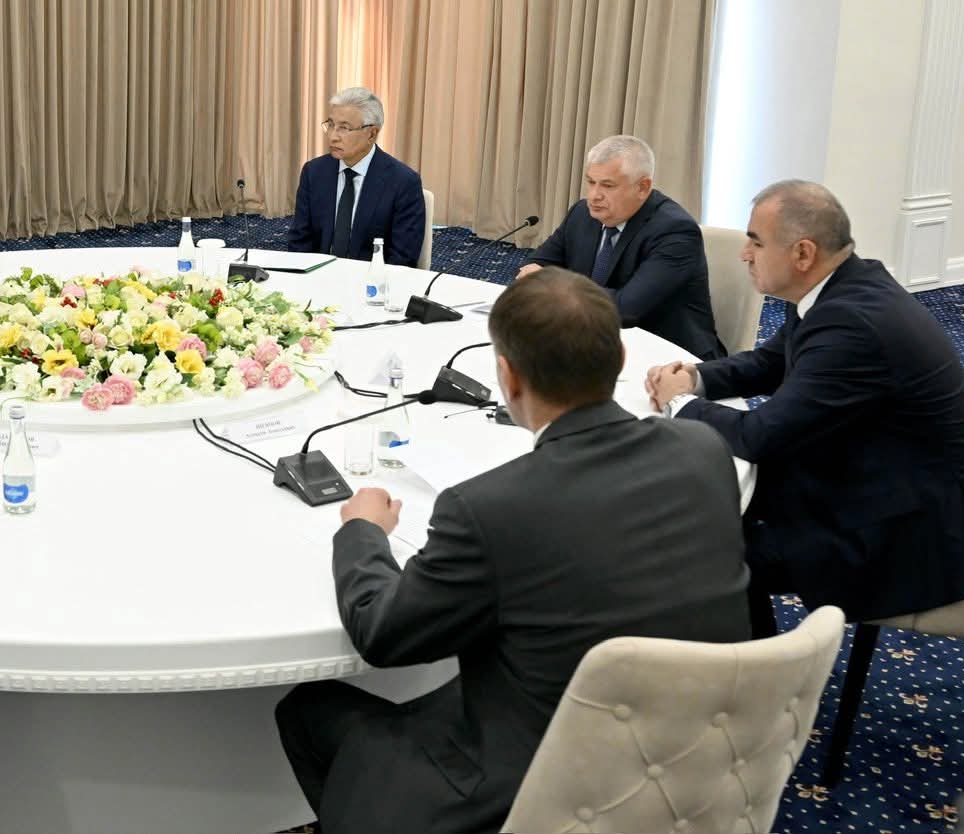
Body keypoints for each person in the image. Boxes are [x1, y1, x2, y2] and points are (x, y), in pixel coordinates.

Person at [275, 269, 750, 832]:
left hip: (540, 790)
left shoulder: (489, 508)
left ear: (507, 375)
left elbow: (382, 635)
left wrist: (362, 531)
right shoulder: (703, 448)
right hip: (700, 758)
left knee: (308, 710)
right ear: (621, 358)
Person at [648, 179, 964, 636]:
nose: (744, 254)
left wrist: (679, 402)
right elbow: (770, 363)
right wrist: (697, 377)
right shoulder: (840, 287)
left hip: (903, 535)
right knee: (705, 503)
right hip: (865, 480)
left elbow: (759, 436)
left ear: (803, 254)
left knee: (705, 550)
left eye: (756, 242)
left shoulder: (852, 325)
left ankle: (761, 669)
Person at [518, 134, 723, 360]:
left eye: (608, 185)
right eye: (591, 182)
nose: (594, 196)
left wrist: (554, 287)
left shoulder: (675, 232)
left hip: (670, 356)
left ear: (643, 187)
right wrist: (537, 273)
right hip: (597, 341)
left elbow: (626, 309)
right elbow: (537, 262)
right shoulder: (582, 214)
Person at [287, 87, 427, 268]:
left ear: (371, 134)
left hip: (372, 281)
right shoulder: (314, 172)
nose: (333, 136)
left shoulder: (403, 183)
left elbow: (402, 258)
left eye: (344, 128)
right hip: (317, 277)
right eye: (331, 125)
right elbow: (299, 241)